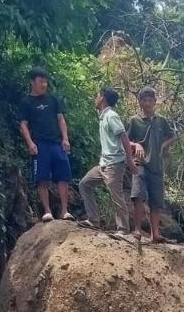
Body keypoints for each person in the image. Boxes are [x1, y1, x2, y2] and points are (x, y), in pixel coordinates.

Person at [77, 87, 136, 231]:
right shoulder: (103, 116)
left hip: (114, 164)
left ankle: (123, 229)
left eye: (96, 95)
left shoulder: (111, 116)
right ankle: (93, 220)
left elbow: (123, 136)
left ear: (102, 97)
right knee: (84, 184)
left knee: (116, 196)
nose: (94, 98)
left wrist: (129, 159)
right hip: (104, 164)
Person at [18, 67, 73, 222]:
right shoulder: (26, 102)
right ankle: (47, 211)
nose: (44, 84)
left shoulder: (53, 99)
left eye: (45, 81)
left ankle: (64, 211)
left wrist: (65, 138)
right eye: (40, 81)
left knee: (63, 177)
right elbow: (23, 125)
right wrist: (30, 143)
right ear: (32, 82)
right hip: (40, 144)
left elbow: (60, 119)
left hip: (56, 142)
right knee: (41, 178)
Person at [127, 86, 176, 242]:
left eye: (150, 100)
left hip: (157, 165)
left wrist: (164, 146)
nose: (147, 103)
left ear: (155, 102)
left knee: (156, 201)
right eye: (144, 100)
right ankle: (137, 230)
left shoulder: (161, 120)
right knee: (138, 196)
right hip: (140, 163)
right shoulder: (134, 120)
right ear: (140, 102)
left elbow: (173, 136)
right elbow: (124, 140)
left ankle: (155, 234)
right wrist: (136, 145)